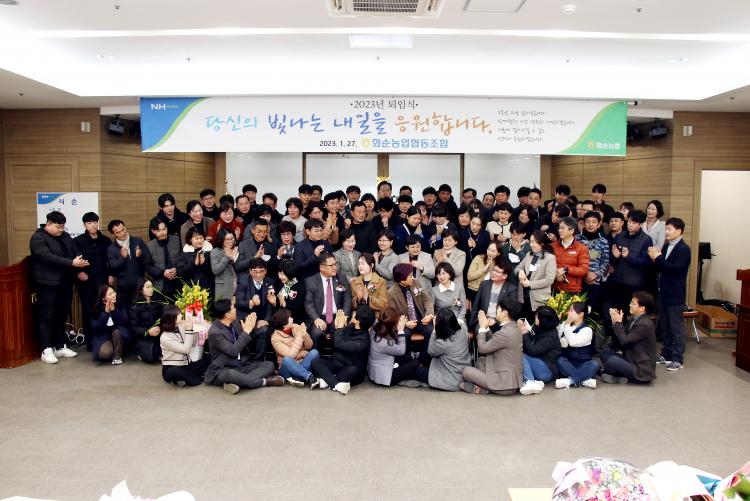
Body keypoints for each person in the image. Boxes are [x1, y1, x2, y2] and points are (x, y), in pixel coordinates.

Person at [31, 211, 88, 363]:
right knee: (47, 316)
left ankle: (59, 345)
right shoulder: (38, 238)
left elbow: (75, 251)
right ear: (48, 224)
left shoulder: (65, 236)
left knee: (61, 315)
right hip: (47, 284)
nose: (61, 230)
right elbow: (48, 257)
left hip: (65, 283)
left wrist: (80, 261)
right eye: (58, 227)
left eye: (63, 227)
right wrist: (71, 263)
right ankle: (46, 349)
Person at [204, 300, 283, 394]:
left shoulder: (235, 323)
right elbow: (233, 351)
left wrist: (250, 329)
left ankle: (238, 381)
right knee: (231, 374)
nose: (235, 309)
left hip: (242, 365)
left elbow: (244, 341)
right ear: (227, 315)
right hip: (224, 369)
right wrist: (246, 332)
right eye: (233, 307)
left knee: (269, 365)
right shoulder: (215, 332)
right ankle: (263, 382)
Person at [649, 217, 691, 371]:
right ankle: (666, 354)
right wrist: (654, 259)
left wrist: (658, 258)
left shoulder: (684, 249)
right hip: (663, 292)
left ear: (679, 231)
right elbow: (662, 267)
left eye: (669, 229)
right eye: (666, 228)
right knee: (665, 326)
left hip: (675, 293)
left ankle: (678, 359)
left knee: (676, 328)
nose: (666, 232)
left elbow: (675, 269)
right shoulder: (667, 246)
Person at [460, 299, 523, 395]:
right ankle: (482, 388)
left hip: (504, 385)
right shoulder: (514, 328)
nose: (496, 310)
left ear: (504, 313)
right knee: (481, 361)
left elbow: (482, 349)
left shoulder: (505, 333)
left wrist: (482, 327)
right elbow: (495, 341)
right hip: (511, 380)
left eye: (498, 308)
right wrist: (486, 327)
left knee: (466, 371)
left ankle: (483, 388)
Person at [311, 306, 374, 394]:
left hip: (351, 368)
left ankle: (329, 381)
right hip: (337, 362)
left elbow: (339, 344)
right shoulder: (351, 327)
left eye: (355, 313)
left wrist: (340, 328)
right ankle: (335, 384)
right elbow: (334, 340)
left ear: (359, 320)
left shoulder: (363, 340)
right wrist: (335, 325)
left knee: (352, 371)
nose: (353, 313)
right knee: (316, 362)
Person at [73, 211, 112, 351]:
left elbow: (110, 260)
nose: (93, 225)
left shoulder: (106, 240)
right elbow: (73, 261)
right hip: (86, 282)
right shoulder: (78, 241)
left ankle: (105, 339)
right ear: (84, 225)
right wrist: (79, 273)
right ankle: (90, 341)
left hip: (102, 280)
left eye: (95, 222)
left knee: (104, 309)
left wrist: (111, 274)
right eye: (89, 223)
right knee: (88, 310)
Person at [602, 291, 657, 384]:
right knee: (605, 353)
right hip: (631, 359)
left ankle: (613, 374)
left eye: (633, 303)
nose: (630, 305)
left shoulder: (644, 324)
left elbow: (625, 341)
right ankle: (618, 375)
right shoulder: (634, 319)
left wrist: (618, 323)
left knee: (612, 361)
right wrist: (614, 322)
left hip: (641, 370)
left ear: (642, 308)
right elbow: (621, 337)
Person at [386, 263, 434, 370]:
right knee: (404, 335)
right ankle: (407, 363)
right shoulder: (391, 293)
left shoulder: (416, 283)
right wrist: (405, 323)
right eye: (410, 275)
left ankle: (423, 361)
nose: (413, 277)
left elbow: (427, 300)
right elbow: (391, 314)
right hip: (405, 322)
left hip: (420, 319)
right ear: (402, 279)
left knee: (430, 331)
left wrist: (429, 314)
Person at [304, 252, 353, 351]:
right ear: (322, 267)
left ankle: (338, 358)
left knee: (341, 331)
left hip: (338, 316)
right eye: (331, 265)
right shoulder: (311, 281)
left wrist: (344, 316)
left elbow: (347, 298)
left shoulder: (341, 278)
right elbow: (308, 303)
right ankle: (315, 357)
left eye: (335, 264)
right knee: (316, 333)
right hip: (320, 317)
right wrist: (316, 319)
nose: (335, 267)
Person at [368, 309, 426, 386]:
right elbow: (401, 350)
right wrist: (401, 330)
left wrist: (403, 324)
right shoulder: (384, 344)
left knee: (408, 359)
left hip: (379, 366)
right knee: (416, 364)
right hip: (386, 376)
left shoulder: (377, 326)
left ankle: (412, 374)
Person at [159, 304, 211, 386]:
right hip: (172, 367)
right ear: (172, 318)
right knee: (175, 372)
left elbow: (192, 343)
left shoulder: (180, 327)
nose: (181, 315)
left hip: (187, 364)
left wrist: (196, 329)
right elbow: (186, 350)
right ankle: (194, 377)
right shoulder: (165, 337)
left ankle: (187, 378)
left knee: (209, 360)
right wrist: (189, 330)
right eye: (179, 314)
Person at [517, 306, 562, 396]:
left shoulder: (550, 335)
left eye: (537, 317)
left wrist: (524, 333)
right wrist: (527, 329)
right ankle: (535, 382)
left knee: (520, 355)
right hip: (539, 363)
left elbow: (533, 351)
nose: (535, 317)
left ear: (544, 320)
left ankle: (530, 381)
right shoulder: (540, 327)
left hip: (547, 370)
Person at [236, 258, 275, 361]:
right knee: (241, 329)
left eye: (261, 271)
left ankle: (259, 361)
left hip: (261, 319)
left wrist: (266, 320)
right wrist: (251, 302)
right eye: (255, 271)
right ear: (250, 271)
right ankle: (244, 359)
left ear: (266, 271)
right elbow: (238, 302)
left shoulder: (270, 282)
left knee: (264, 329)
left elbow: (270, 305)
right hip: (246, 317)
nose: (258, 275)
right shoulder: (243, 281)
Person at [271, 309, 320, 388]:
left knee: (314, 352)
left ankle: (299, 376)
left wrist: (304, 334)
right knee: (286, 359)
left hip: (302, 363)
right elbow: (291, 355)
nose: (292, 318)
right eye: (289, 318)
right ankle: (309, 376)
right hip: (287, 368)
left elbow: (309, 346)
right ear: (284, 325)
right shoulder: (275, 338)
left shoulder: (295, 327)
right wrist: (299, 337)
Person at [555, 302, 598, 389]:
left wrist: (567, 325)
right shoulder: (564, 324)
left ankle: (570, 381)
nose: (568, 313)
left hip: (583, 363)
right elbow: (557, 338)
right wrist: (558, 322)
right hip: (568, 363)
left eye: (571, 311)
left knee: (594, 364)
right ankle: (584, 380)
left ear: (581, 314)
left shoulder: (587, 330)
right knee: (560, 360)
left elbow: (572, 342)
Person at [515, 230, 557, 319]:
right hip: (523, 296)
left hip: (539, 299)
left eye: (533, 242)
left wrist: (530, 284)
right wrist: (520, 272)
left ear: (541, 243)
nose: (531, 244)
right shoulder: (529, 255)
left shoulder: (550, 258)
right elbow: (517, 268)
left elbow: (549, 280)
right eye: (530, 242)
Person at [107, 219, 149, 308]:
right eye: (118, 232)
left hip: (139, 283)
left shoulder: (138, 241)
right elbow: (113, 267)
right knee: (125, 309)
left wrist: (139, 256)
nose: (122, 233)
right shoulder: (111, 249)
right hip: (124, 286)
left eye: (123, 229)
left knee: (141, 309)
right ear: (113, 234)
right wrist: (122, 257)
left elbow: (148, 260)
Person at [427, 308, 471, 391]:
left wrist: (434, 330)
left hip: (449, 378)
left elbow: (430, 351)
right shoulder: (463, 330)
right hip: (463, 371)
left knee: (418, 371)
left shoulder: (442, 342)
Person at [469, 261, 518, 334]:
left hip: (500, 322)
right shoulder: (484, 284)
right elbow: (476, 305)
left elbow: (510, 310)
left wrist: (495, 320)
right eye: (493, 270)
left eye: (497, 271)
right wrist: (470, 327)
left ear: (505, 276)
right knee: (479, 332)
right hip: (484, 319)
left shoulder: (511, 289)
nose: (493, 273)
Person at [576, 211, 610, 315]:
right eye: (588, 221)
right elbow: (573, 260)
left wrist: (595, 274)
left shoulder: (603, 241)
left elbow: (605, 262)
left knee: (592, 311)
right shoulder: (576, 240)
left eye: (594, 222)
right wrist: (584, 275)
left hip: (595, 281)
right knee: (577, 309)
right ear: (583, 223)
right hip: (578, 281)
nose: (591, 224)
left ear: (599, 224)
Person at [90, 285, 131, 365]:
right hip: (104, 337)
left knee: (117, 332)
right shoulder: (97, 308)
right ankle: (117, 350)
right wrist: (105, 313)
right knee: (105, 353)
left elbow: (125, 321)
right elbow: (95, 327)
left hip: (120, 334)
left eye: (114, 292)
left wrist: (114, 311)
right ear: (103, 298)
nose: (114, 295)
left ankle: (117, 356)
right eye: (110, 294)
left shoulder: (120, 303)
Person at [145, 217, 184, 296]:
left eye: (164, 229)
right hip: (161, 284)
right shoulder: (150, 246)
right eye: (159, 231)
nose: (163, 232)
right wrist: (163, 273)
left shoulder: (176, 240)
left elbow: (183, 258)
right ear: (153, 231)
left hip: (179, 281)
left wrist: (177, 269)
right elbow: (148, 266)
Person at [236, 219, 278, 290]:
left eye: (265, 232)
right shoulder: (243, 244)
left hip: (264, 285)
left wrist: (278, 256)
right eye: (259, 232)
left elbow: (273, 267)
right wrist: (255, 257)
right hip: (246, 283)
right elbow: (238, 266)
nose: (262, 234)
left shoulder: (269, 246)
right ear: (253, 230)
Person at [551, 216, 590, 293]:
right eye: (559, 228)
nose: (560, 230)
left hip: (573, 290)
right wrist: (555, 274)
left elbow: (584, 270)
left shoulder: (581, 248)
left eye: (563, 228)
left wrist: (566, 270)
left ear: (572, 230)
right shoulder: (552, 246)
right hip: (554, 288)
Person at [129, 278, 164, 363]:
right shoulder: (135, 307)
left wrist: (159, 327)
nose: (151, 289)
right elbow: (134, 328)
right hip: (144, 337)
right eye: (147, 287)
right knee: (152, 355)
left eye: (151, 286)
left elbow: (162, 318)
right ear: (141, 290)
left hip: (158, 334)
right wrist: (148, 331)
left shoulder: (157, 303)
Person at [432, 263, 468, 338]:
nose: (441, 276)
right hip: (442, 319)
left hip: (457, 317)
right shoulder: (434, 290)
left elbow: (464, 306)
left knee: (463, 333)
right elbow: (432, 308)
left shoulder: (459, 287)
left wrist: (459, 320)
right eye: (439, 274)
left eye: (444, 273)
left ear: (450, 274)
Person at [350, 253, 388, 318]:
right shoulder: (354, 282)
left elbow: (384, 304)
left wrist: (368, 298)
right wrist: (358, 299)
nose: (360, 266)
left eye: (363, 263)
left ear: (371, 265)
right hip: (358, 317)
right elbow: (350, 305)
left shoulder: (380, 281)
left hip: (375, 317)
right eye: (359, 264)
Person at [180, 226, 214, 293]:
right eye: (196, 238)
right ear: (190, 240)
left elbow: (213, 271)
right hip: (190, 289)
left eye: (201, 238)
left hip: (207, 288)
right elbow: (180, 271)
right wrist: (194, 263)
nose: (199, 241)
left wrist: (203, 263)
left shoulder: (210, 251)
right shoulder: (184, 253)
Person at [209, 228, 239, 301]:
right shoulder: (215, 251)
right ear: (221, 240)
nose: (230, 241)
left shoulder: (238, 249)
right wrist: (226, 257)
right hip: (223, 288)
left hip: (239, 287)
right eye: (227, 239)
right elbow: (215, 270)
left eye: (232, 238)